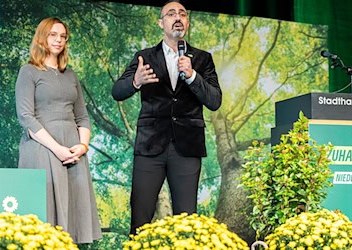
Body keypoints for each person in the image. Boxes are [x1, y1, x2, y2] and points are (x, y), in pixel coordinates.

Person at [112, 0, 222, 235]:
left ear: (188, 22)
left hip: (187, 147)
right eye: (171, 14)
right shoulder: (144, 57)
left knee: (186, 222)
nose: (178, 17)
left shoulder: (202, 59)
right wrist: (136, 81)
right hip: (150, 146)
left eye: (182, 13)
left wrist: (192, 76)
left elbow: (214, 101)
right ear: (161, 23)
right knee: (140, 219)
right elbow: (117, 91)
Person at [15, 17, 102, 244]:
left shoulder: (71, 75)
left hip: (73, 152)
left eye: (63, 36)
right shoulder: (28, 72)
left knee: (73, 221)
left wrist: (82, 147)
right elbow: (26, 117)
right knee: (44, 221)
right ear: (42, 37)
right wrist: (57, 149)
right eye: (53, 34)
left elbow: (82, 117)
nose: (59, 40)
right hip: (42, 148)